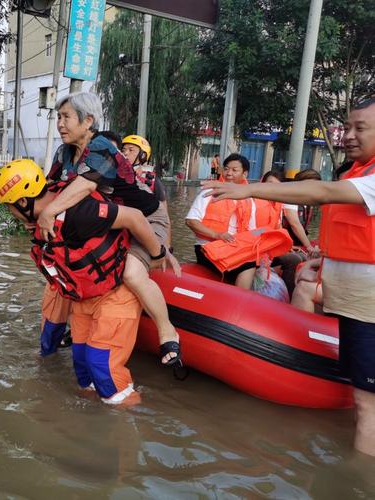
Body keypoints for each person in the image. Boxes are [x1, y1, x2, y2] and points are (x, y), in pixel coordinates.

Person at [201, 97, 375, 457]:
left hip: (367, 308)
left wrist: (250, 189)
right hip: (351, 300)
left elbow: (322, 192)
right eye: (349, 126)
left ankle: (357, 481)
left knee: (368, 405)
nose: (349, 135)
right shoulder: (357, 173)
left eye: (361, 128)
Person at [0, 159, 169, 404]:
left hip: (114, 292)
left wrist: (158, 254)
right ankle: (89, 423)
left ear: (23, 202)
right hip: (84, 297)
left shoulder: (77, 212)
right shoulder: (43, 216)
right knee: (83, 370)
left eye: (9, 207)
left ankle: (127, 425)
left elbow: (135, 217)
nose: (9, 213)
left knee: (102, 367)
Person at [38, 92, 182, 367]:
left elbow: (86, 185)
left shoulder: (103, 147)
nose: (60, 123)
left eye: (66, 117)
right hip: (112, 219)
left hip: (148, 219)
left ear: (88, 120)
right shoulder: (64, 152)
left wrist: (48, 212)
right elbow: (51, 188)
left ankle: (167, 330)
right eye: (58, 117)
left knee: (129, 271)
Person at [185, 153, 258, 289]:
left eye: (234, 170)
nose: (229, 173)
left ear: (245, 174)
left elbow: (252, 231)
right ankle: (238, 299)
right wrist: (217, 235)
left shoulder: (249, 199)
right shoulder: (210, 192)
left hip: (234, 248)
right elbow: (191, 221)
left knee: (257, 260)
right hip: (207, 248)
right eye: (226, 169)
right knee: (248, 264)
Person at [120, 134, 172, 249]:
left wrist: (167, 245)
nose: (125, 153)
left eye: (131, 150)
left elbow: (164, 216)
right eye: (123, 150)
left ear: (143, 156)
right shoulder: (116, 175)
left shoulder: (152, 181)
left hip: (143, 231)